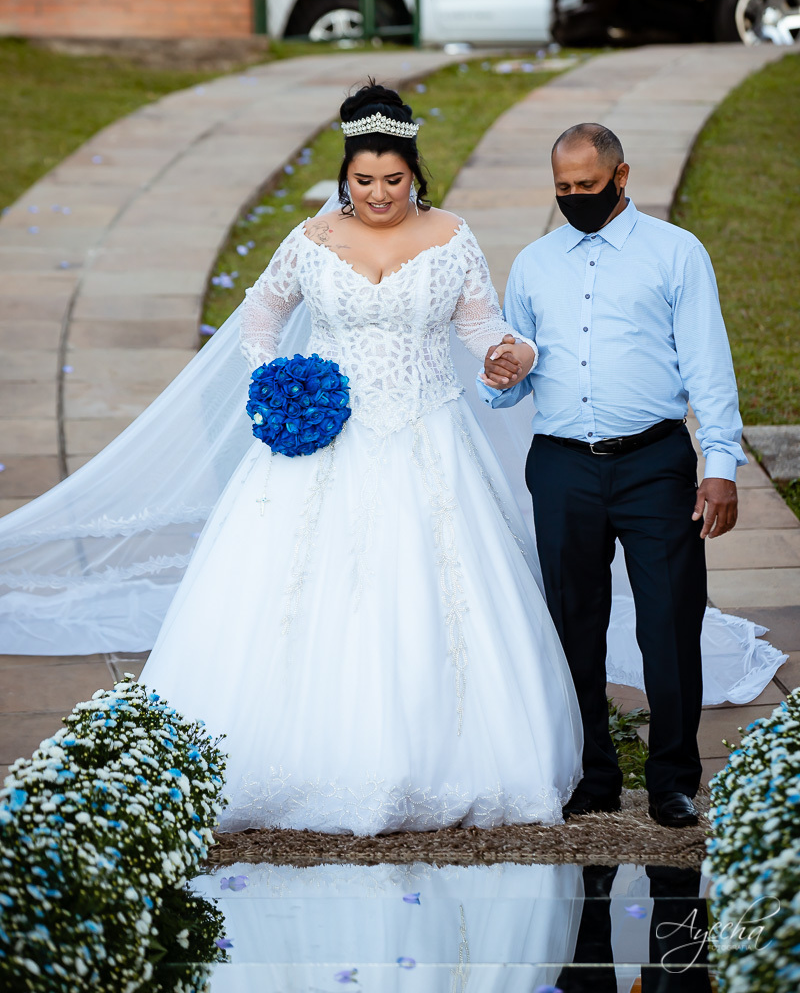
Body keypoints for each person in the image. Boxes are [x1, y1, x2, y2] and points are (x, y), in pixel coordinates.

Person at [137, 82, 585, 834]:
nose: (379, 195)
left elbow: (483, 327)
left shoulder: (453, 236)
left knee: (436, 593)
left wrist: (515, 354)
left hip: (427, 436)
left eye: (394, 179)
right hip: (324, 439)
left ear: (416, 174)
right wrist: (275, 382)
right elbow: (261, 311)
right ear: (345, 176)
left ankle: (442, 759)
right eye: (364, 180)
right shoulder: (313, 239)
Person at [479, 122, 750, 830]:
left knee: (670, 621)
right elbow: (513, 374)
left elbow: (709, 365)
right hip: (562, 463)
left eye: (588, 185)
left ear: (621, 178)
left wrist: (720, 465)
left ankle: (673, 781)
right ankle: (593, 774)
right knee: (573, 621)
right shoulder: (534, 264)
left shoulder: (677, 253)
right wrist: (499, 375)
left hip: (654, 462)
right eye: (563, 188)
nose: (575, 197)